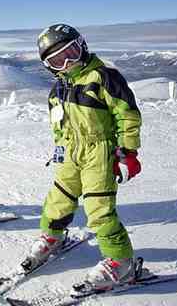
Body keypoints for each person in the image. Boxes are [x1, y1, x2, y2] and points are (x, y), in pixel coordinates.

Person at [28, 23, 143, 289]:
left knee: (98, 208)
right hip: (71, 151)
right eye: (57, 60)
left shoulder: (104, 77)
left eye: (71, 52)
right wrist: (60, 150)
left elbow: (127, 115)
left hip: (99, 151)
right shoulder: (57, 90)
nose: (67, 63)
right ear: (49, 67)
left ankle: (121, 262)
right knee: (58, 198)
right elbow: (59, 125)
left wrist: (127, 151)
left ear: (83, 46)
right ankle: (53, 237)